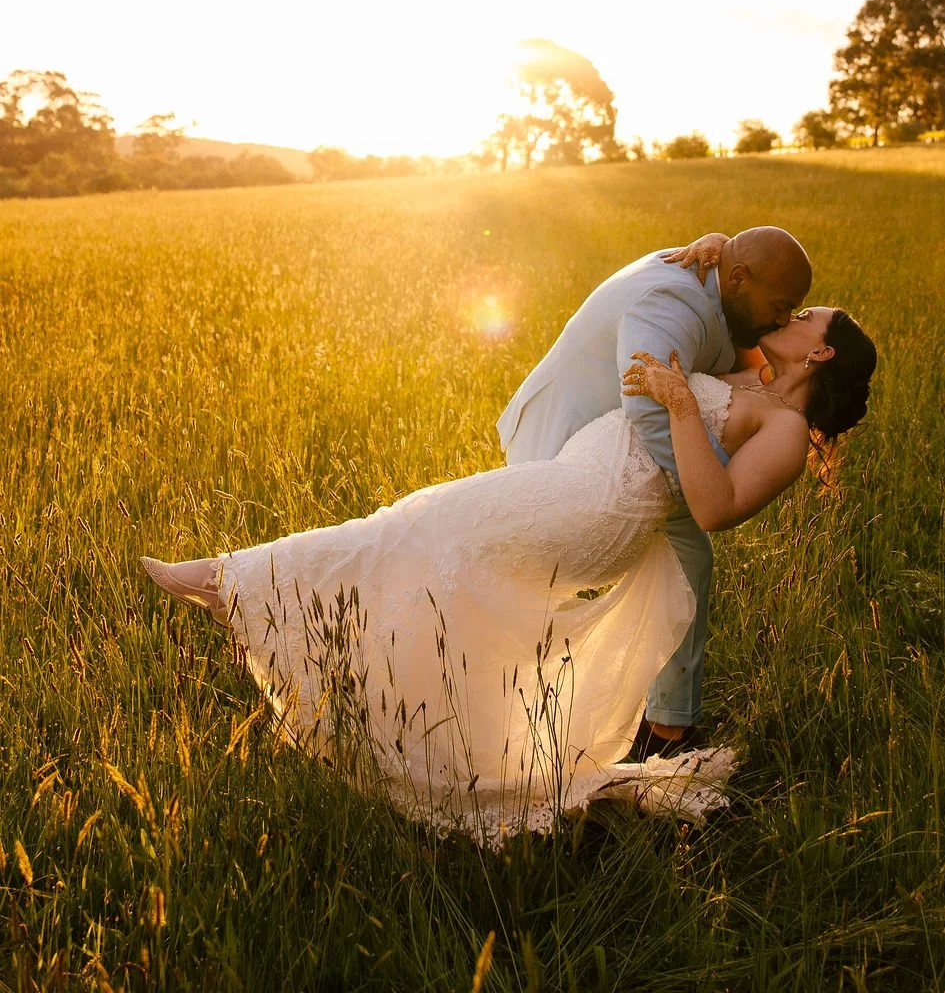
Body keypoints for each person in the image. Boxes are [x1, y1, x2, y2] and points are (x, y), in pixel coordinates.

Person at [142, 239, 877, 844]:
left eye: (808, 316)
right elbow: (725, 299)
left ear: (818, 357)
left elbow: (715, 508)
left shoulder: (783, 431)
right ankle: (422, 712)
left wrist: (680, 400)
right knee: (432, 552)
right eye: (794, 303)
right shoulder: (753, 371)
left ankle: (236, 584)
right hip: (576, 481)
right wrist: (711, 249)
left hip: (593, 505)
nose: (794, 312)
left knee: (418, 531)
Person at [497, 227, 812, 761]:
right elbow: (646, 400)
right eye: (781, 307)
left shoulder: (720, 285)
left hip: (612, 443)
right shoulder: (679, 297)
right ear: (737, 278)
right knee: (542, 584)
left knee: (690, 560)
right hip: (563, 443)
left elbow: (732, 361)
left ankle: (667, 726)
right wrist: (699, 487)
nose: (783, 321)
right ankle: (536, 716)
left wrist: (718, 236)